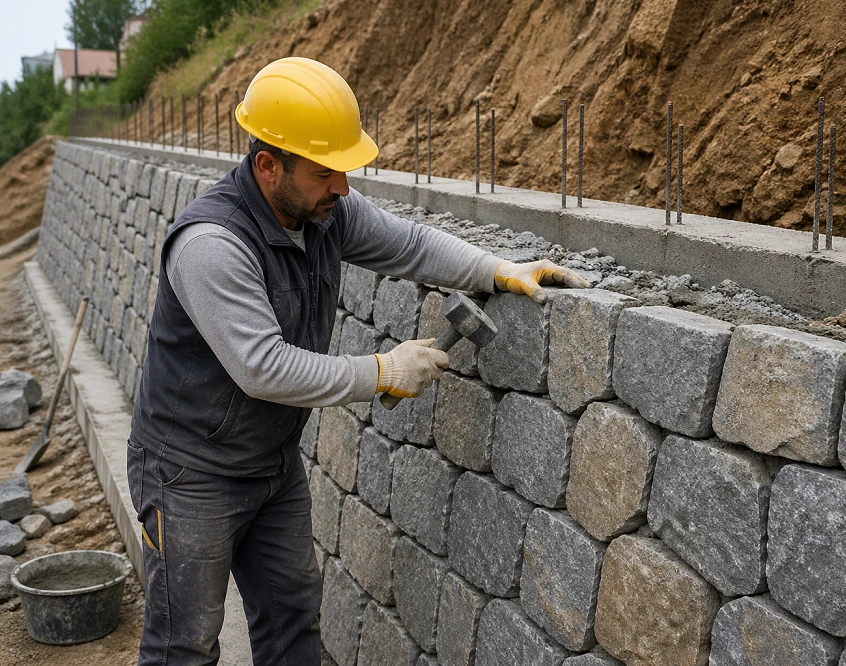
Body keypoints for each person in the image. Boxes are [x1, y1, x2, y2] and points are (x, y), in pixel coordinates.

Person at [126, 56, 589, 665]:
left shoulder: (323, 211)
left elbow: (410, 244)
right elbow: (261, 367)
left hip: (269, 463)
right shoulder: (213, 245)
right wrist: (382, 371)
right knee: (183, 643)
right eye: (325, 172)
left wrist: (498, 269)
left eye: (343, 171)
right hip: (188, 474)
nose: (342, 187)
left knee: (292, 618)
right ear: (268, 166)